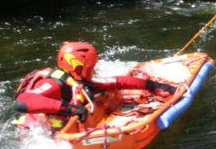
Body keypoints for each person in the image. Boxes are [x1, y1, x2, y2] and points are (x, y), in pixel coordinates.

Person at [13, 41, 176, 130]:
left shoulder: (79, 83)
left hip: (58, 123)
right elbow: (23, 102)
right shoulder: (54, 84)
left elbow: (118, 82)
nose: (94, 70)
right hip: (33, 131)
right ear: (80, 67)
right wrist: (71, 109)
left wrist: (155, 85)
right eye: (91, 67)